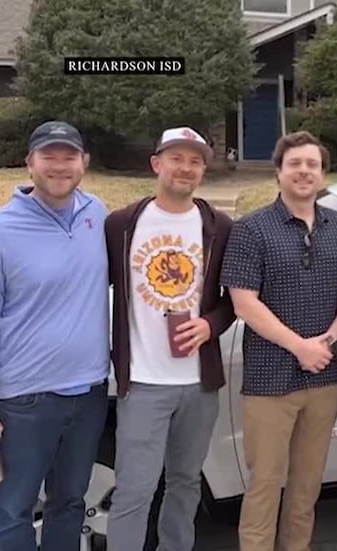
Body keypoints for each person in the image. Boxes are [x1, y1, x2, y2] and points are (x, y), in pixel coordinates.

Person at [220, 130, 337, 550]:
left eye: (311, 165)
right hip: (269, 380)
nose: (303, 172)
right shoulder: (250, 229)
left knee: (307, 487)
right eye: (294, 164)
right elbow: (243, 302)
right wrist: (300, 346)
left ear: (322, 174)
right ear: (279, 172)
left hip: (324, 376)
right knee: (263, 486)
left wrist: (330, 340)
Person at [103, 127, 236, 550]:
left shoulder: (219, 227)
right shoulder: (122, 224)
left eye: (195, 161)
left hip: (199, 385)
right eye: (177, 158)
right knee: (134, 489)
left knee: (185, 484)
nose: (186, 168)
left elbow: (235, 301)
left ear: (203, 171)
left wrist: (210, 325)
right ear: (156, 164)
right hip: (142, 383)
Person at [0, 121, 110, 551]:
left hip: (90, 392)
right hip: (25, 401)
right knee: (15, 508)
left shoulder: (98, 214)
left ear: (83, 162)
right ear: (29, 163)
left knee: (70, 503)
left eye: (68, 156)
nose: (59, 166)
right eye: (48, 157)